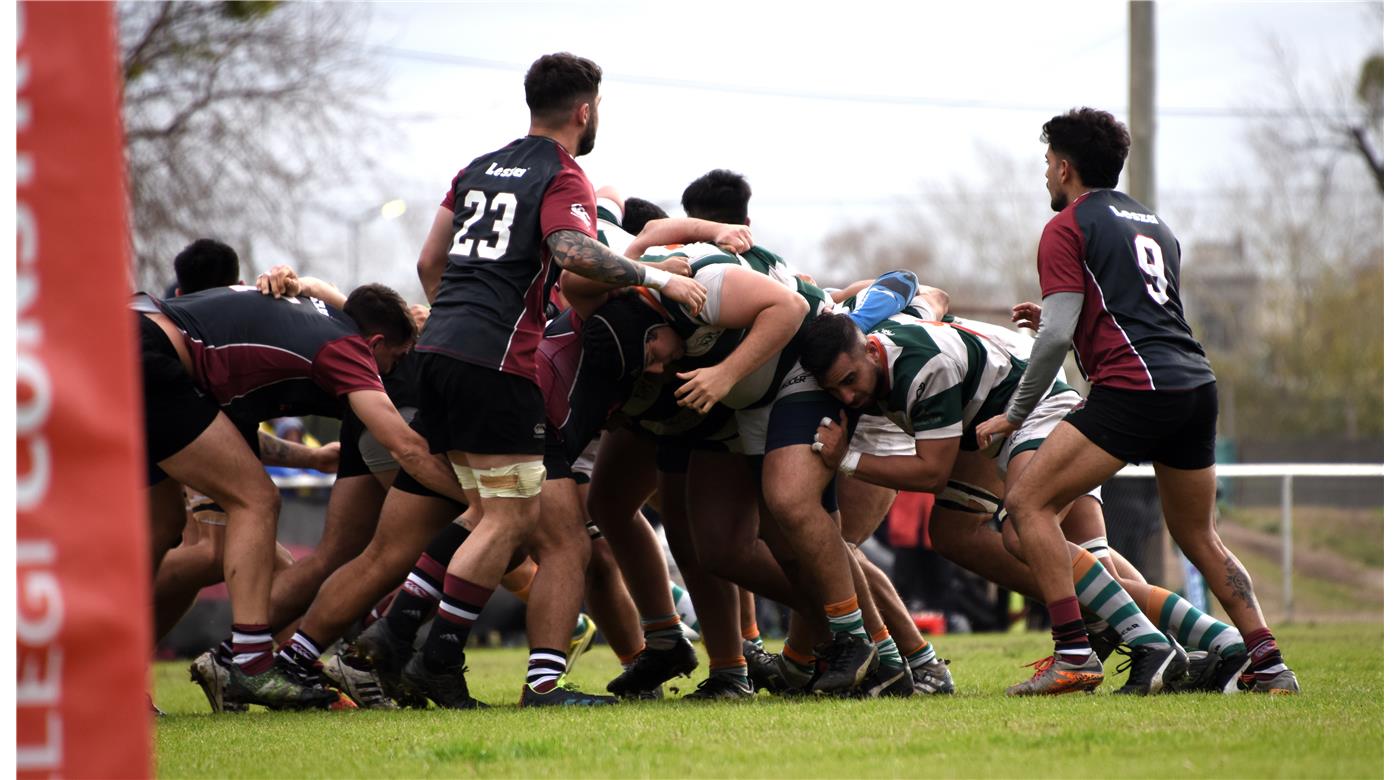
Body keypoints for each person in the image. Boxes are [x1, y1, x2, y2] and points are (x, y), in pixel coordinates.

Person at [973, 107, 1297, 695]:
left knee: (1025, 507)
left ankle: (1075, 653)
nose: (1046, 174)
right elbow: (1136, 315)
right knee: (1200, 536)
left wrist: (1014, 413)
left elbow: (1052, 341)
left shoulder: (1066, 226)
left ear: (1066, 168)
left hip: (1133, 388)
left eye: (1047, 163)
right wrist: (1063, 321)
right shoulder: (1155, 224)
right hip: (1194, 383)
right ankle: (1269, 663)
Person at [796, 301, 1185, 695]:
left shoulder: (923, 364)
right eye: (835, 390)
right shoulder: (874, 337)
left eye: (850, 380)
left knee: (1026, 528)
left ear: (871, 350)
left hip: (1038, 407)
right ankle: (1201, 644)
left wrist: (847, 458)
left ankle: (1119, 645)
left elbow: (933, 473)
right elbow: (925, 290)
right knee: (960, 533)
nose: (847, 396)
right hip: (1002, 419)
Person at [135, 280, 458, 710]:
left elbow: (227, 435)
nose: (392, 373)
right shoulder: (346, 347)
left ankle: (110, 671)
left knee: (163, 528)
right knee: (256, 501)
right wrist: (480, 500)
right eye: (394, 360)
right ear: (377, 342)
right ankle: (250, 664)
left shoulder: (312, 315)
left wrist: (308, 458)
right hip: (147, 355)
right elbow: (406, 447)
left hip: (131, 335)